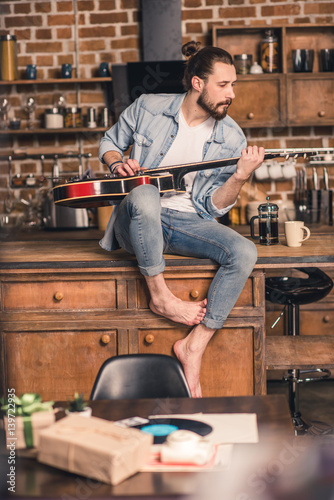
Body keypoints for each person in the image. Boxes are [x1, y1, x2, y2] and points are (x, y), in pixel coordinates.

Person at [98, 41, 265, 397]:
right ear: (197, 83)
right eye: (224, 85)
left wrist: (239, 177)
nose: (231, 94)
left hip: (188, 223)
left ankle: (194, 345)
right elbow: (110, 142)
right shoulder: (148, 108)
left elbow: (212, 207)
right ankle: (160, 296)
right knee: (144, 192)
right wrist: (117, 163)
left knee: (245, 252)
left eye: (234, 85)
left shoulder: (231, 136)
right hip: (139, 222)